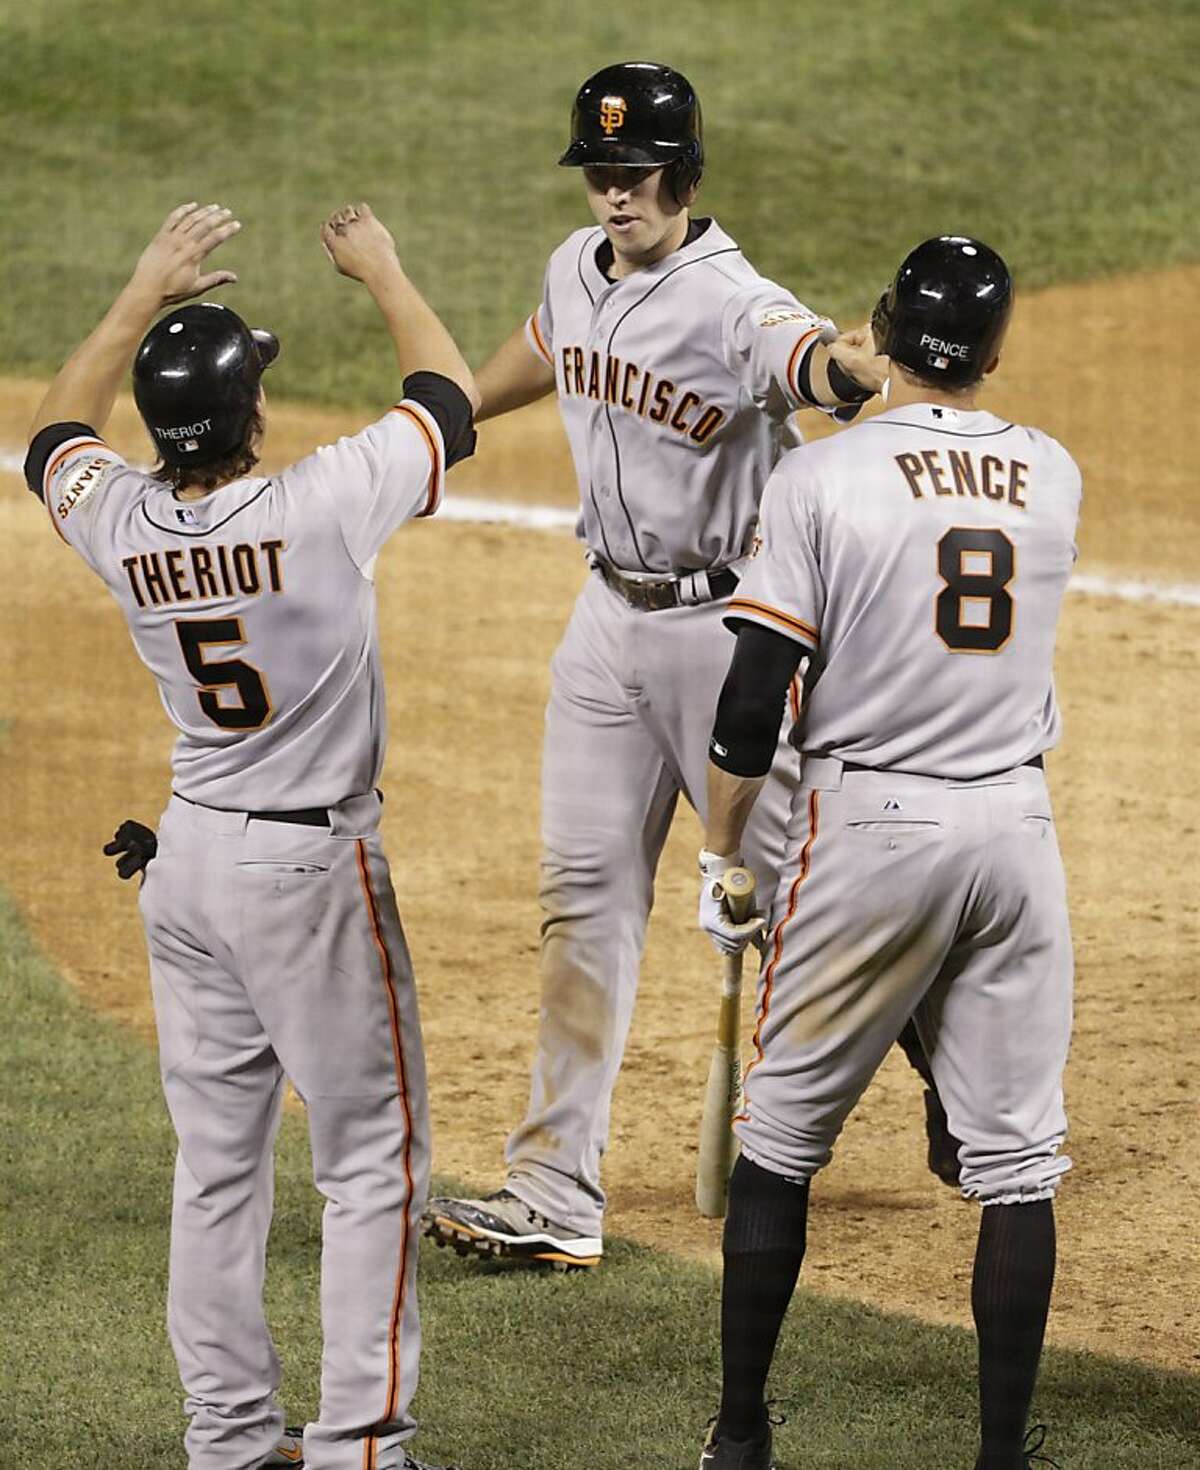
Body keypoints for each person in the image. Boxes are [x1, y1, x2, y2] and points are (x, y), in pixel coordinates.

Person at [422, 60, 937, 1273]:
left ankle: (959, 1079)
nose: (614, 197)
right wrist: (448, 413)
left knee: (820, 909)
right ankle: (554, 1192)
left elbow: (806, 360)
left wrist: (857, 366)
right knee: (581, 902)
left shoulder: (730, 297)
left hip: (727, 639)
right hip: (604, 629)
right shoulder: (575, 261)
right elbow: (553, 342)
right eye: (599, 175)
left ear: (686, 176)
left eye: (636, 175)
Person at [25, 200, 478, 1470]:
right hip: (306, 877)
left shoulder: (118, 522)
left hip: (189, 864)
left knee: (217, 1167)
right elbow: (446, 401)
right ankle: (361, 1450)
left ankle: (226, 1440)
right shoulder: (322, 504)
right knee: (372, 1160)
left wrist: (138, 290)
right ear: (252, 417)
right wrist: (385, 266)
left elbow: (56, 433)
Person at [695, 236, 1076, 1470]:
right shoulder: (1054, 475)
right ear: (998, 353)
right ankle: (1003, 1459)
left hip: (874, 832)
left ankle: (742, 1436)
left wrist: (723, 855)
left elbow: (753, 705)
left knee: (781, 1146)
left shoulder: (822, 478)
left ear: (884, 332)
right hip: (1017, 835)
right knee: (1017, 1166)